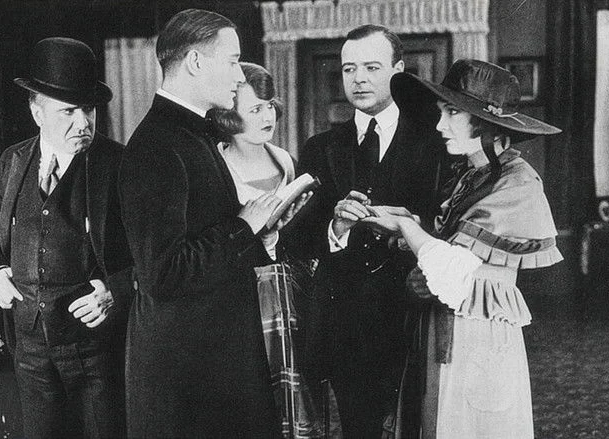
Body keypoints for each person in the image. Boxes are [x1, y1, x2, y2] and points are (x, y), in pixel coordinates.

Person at [119, 10, 307, 437]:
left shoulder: (193, 134)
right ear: (195, 62)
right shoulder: (156, 146)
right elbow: (162, 274)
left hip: (215, 364)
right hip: (188, 378)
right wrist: (244, 227)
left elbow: (209, 242)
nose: (240, 76)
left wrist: (264, 232)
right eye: (233, 61)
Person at [362, 59, 563, 438]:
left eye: (452, 112)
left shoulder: (518, 183)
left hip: (476, 337)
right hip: (444, 327)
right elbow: (453, 247)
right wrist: (401, 221)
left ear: (487, 124)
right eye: (442, 112)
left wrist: (406, 226)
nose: (440, 125)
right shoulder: (472, 175)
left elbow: (453, 267)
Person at [288, 25, 448, 437]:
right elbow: (295, 239)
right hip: (348, 327)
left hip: (417, 317)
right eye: (349, 69)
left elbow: (450, 224)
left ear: (398, 70)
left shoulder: (437, 143)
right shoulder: (320, 147)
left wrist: (408, 230)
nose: (358, 78)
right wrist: (336, 228)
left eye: (372, 67)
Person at [0, 37, 132, 439]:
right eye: (68, 110)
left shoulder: (118, 165)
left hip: (96, 353)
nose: (83, 123)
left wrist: (114, 291)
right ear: (37, 112)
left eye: (88, 109)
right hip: (28, 351)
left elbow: (151, 253)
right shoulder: (13, 161)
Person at [211, 61, 320, 437]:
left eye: (270, 105)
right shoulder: (218, 163)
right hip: (242, 296)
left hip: (288, 292)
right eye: (255, 108)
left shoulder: (283, 158)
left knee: (296, 387)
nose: (268, 115)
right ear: (229, 116)